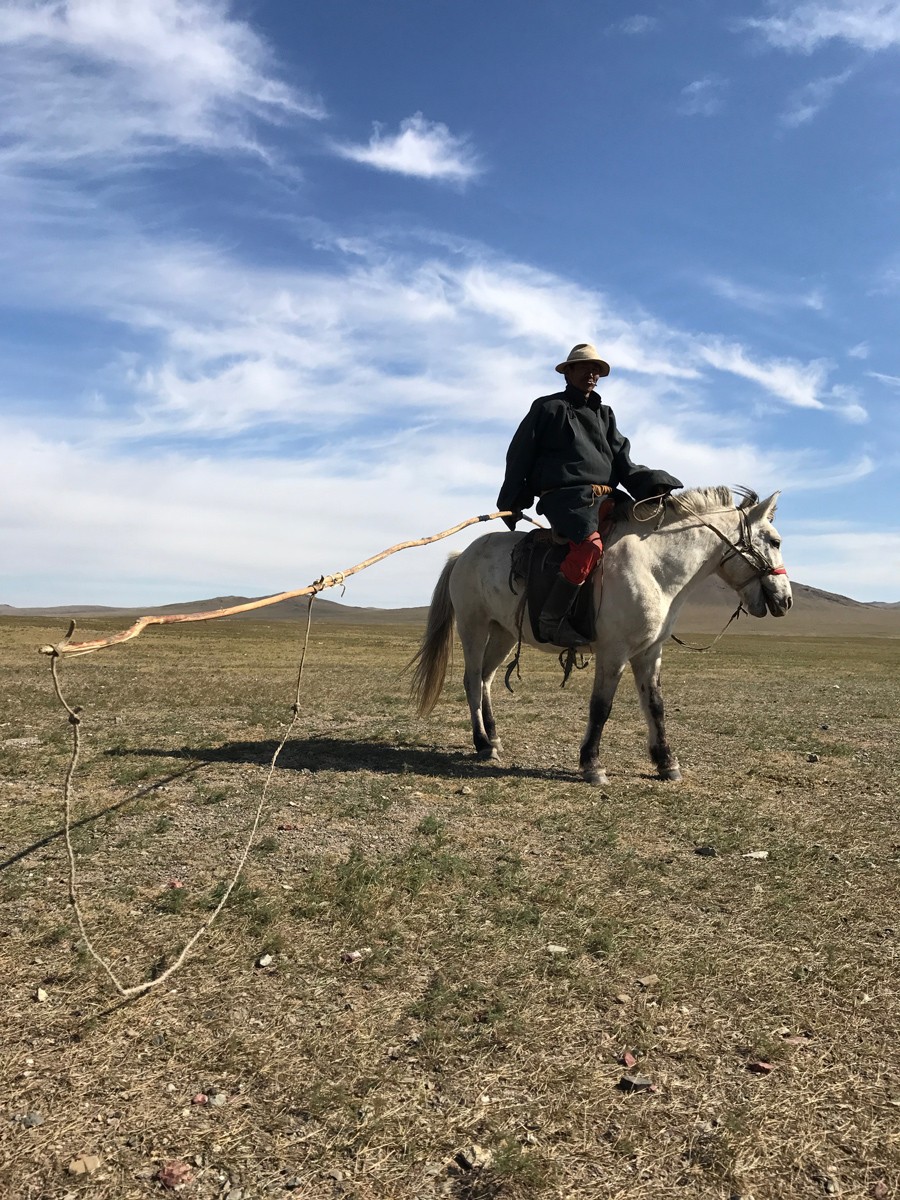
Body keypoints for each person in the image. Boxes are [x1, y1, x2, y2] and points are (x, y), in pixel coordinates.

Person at [497, 343, 683, 646]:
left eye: (597, 369)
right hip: (567, 499)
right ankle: (551, 619)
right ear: (568, 371)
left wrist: (654, 484)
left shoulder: (604, 415)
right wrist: (513, 501)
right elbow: (520, 454)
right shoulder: (548, 408)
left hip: (608, 497)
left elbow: (624, 462)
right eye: (585, 367)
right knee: (590, 547)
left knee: (642, 538)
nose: (592, 374)